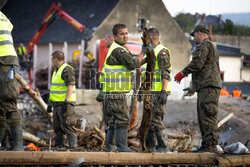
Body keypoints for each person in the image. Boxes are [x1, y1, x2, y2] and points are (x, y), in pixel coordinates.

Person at [174, 24, 222, 153]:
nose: (194, 38)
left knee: (207, 115)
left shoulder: (205, 45)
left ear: (200, 33)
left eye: (194, 35)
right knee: (203, 116)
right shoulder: (208, 46)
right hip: (206, 86)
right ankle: (207, 144)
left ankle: (210, 145)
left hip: (209, 87)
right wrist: (193, 87)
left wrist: (183, 73)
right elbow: (202, 70)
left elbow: (197, 64)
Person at [101, 23, 146, 152]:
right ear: (115, 36)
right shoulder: (119, 50)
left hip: (112, 90)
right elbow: (132, 64)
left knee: (115, 120)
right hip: (116, 91)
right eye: (122, 34)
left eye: (126, 33)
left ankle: (110, 147)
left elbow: (131, 63)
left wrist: (143, 58)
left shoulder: (117, 48)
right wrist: (143, 52)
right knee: (122, 119)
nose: (125, 36)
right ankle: (122, 147)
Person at [139, 28, 172, 152]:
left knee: (156, 119)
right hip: (150, 92)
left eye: (145, 39)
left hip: (159, 92)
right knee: (149, 121)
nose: (143, 41)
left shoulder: (162, 51)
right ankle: (151, 147)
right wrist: (142, 90)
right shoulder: (150, 52)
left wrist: (163, 91)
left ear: (152, 38)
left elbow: (165, 73)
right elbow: (144, 74)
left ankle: (164, 147)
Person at [0, 11, 23, 151]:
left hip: (4, 59)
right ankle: (6, 144)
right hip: (7, 59)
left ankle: (18, 147)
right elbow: (10, 27)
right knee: (2, 104)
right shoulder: (2, 15)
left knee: (8, 101)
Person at [47, 51, 77, 149]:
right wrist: (50, 104)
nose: (52, 61)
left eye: (52, 59)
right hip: (56, 104)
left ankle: (73, 147)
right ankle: (59, 146)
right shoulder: (56, 70)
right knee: (57, 127)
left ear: (55, 59)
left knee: (68, 125)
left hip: (65, 104)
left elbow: (70, 85)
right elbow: (55, 89)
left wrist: (66, 101)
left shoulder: (66, 69)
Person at [96, 32, 116, 152]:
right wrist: (102, 89)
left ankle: (112, 146)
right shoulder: (109, 53)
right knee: (108, 120)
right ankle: (109, 147)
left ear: (111, 38)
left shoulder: (116, 52)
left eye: (106, 38)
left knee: (115, 121)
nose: (104, 40)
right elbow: (105, 74)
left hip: (114, 92)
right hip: (107, 92)